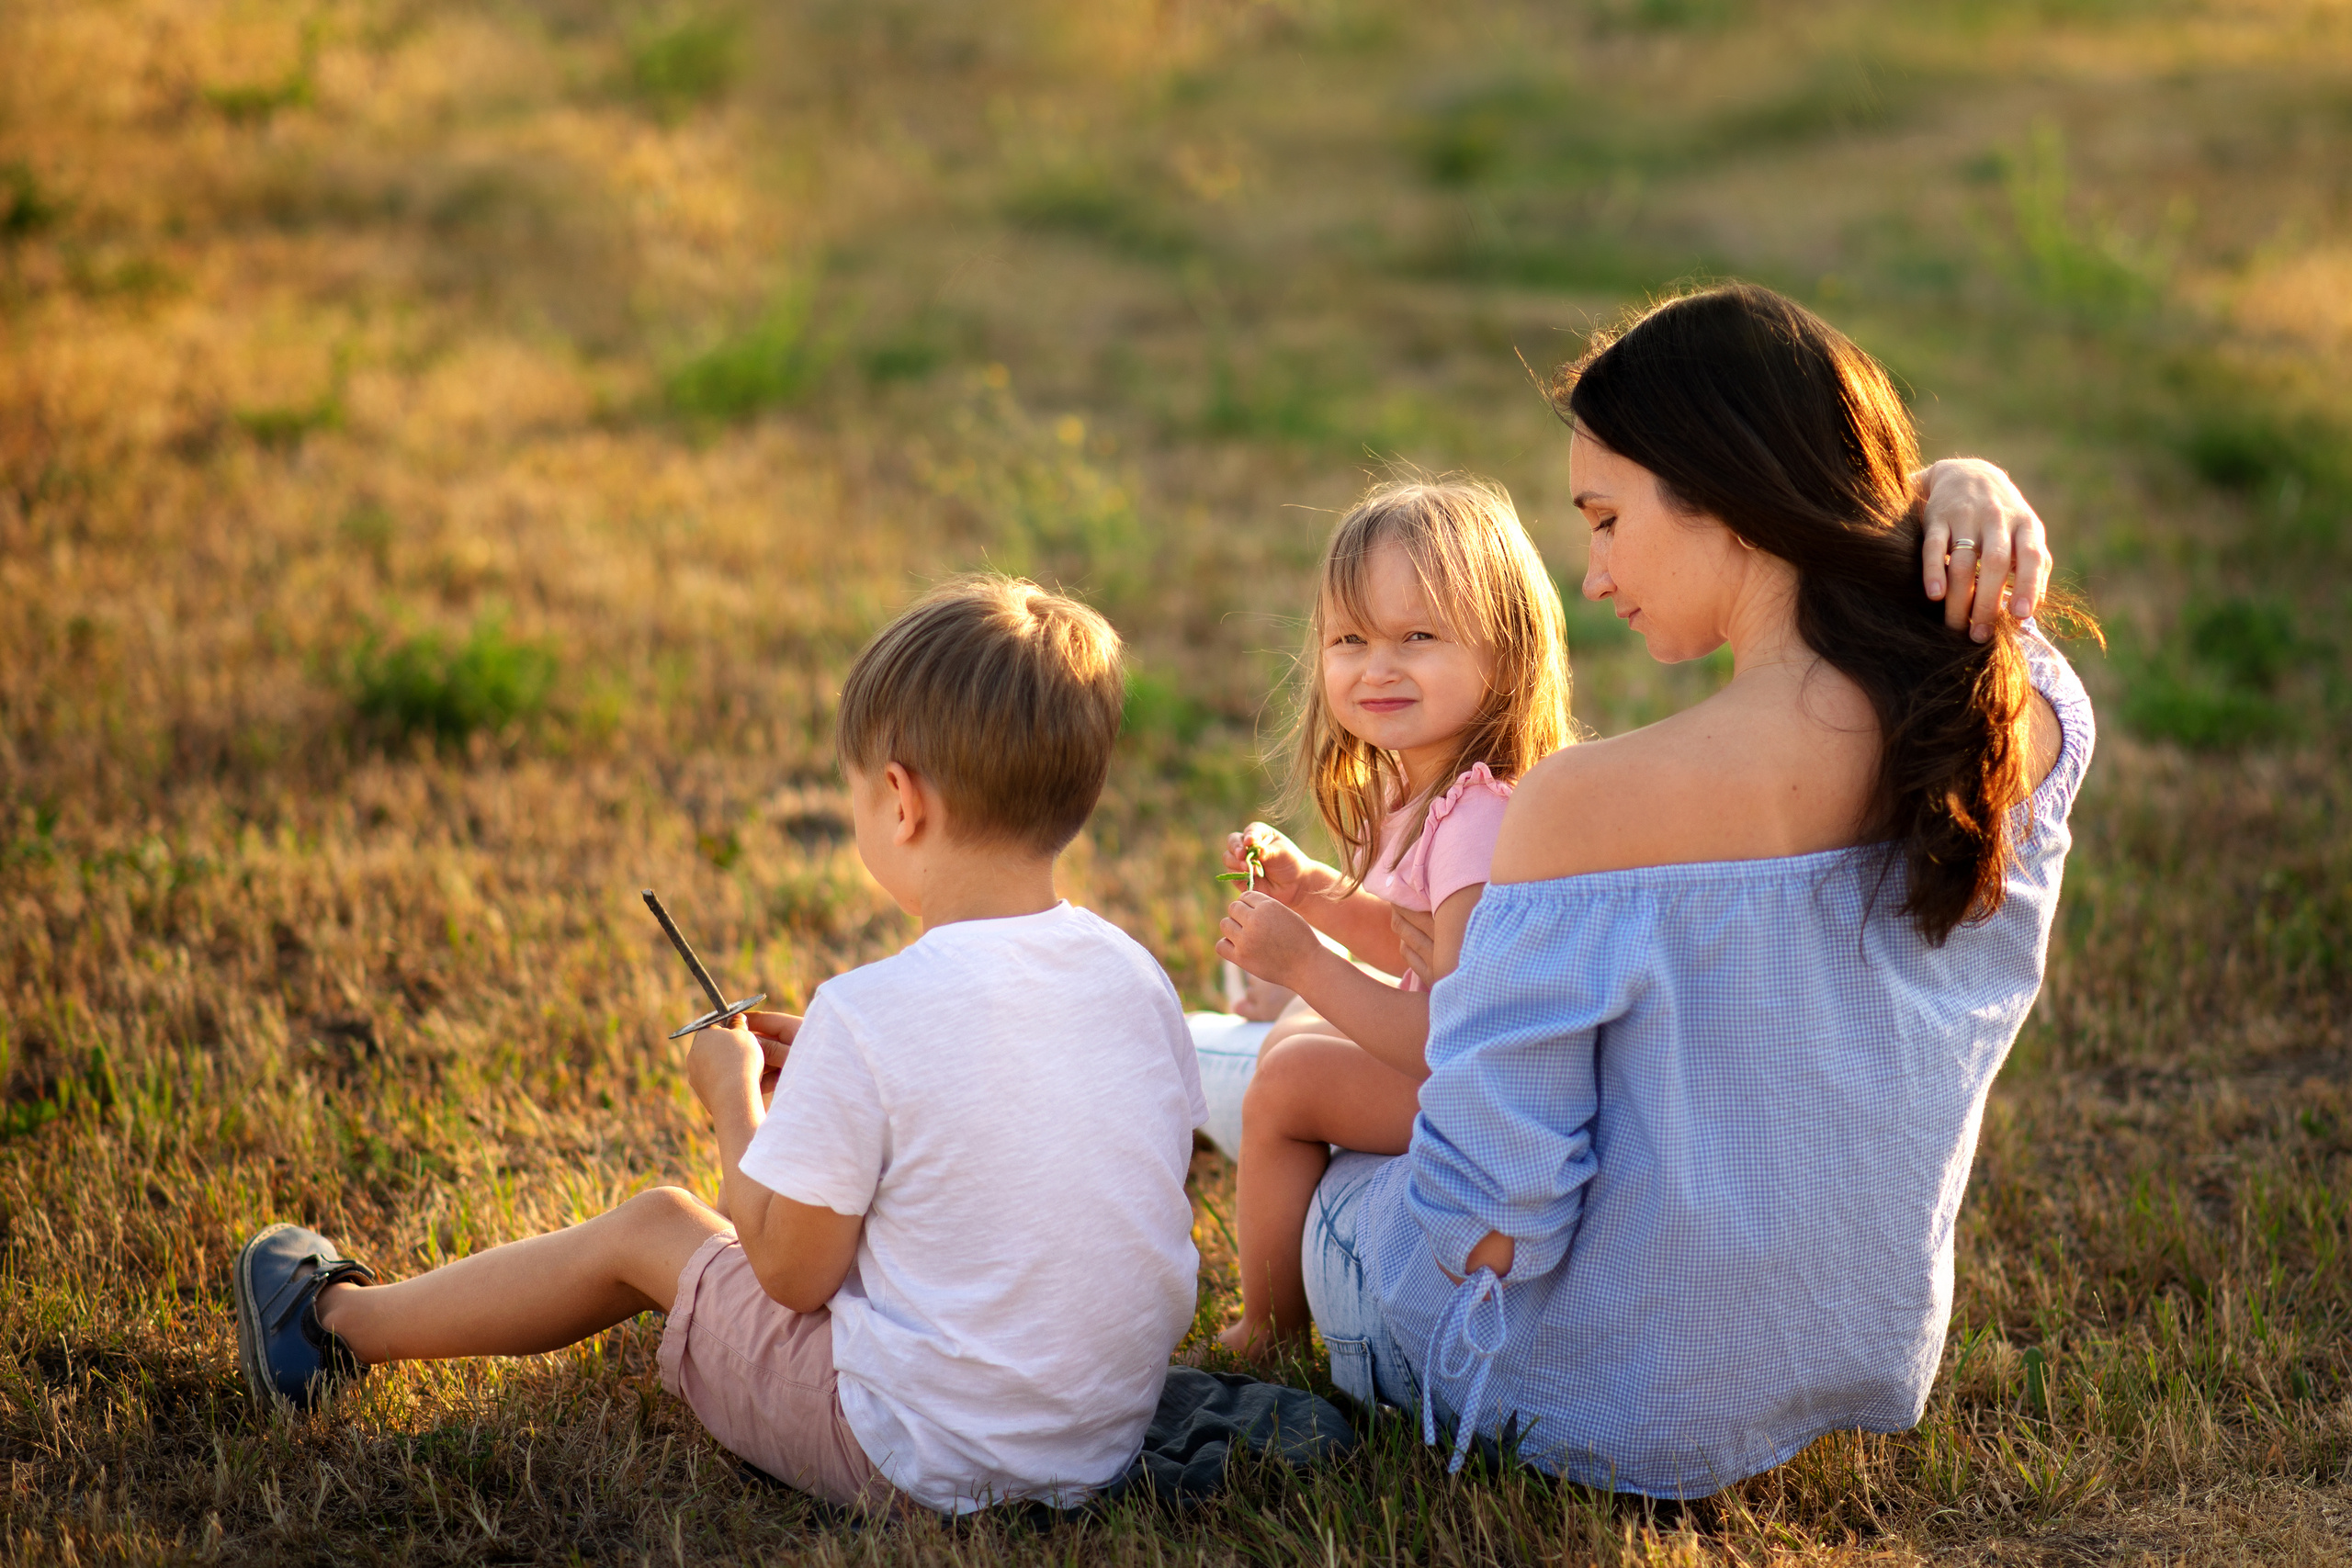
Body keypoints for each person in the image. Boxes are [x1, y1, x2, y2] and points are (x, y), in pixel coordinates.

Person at [1288, 282, 2097, 1496]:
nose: (1596, 573)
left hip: (1573, 1386)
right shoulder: (2015, 713)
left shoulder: (1582, 804)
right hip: (1843, 1347)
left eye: (1607, 517)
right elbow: (1944, 569)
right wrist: (1962, 482)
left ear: (1721, 490)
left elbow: (1494, 1236)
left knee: (1301, 1094)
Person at [230, 575, 1209, 1516]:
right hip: (1099, 1439)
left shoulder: (872, 1016)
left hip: (920, 1456)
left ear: (901, 802)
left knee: (654, 1227)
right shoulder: (1135, 976)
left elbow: (789, 1274)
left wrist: (736, 1103)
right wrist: (833, 1081)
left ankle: (333, 1328)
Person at [1201, 479, 1573, 1359]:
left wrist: (1304, 964)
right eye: (1351, 639)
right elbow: (1418, 948)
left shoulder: (1480, 819)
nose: (1378, 666)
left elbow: (1453, 1031)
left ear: (1506, 652)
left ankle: (1271, 1327)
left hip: (1495, 1107)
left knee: (1285, 1087)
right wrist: (1316, 891)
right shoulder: (1425, 784)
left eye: (1418, 637)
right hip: (1468, 1075)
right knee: (1291, 1046)